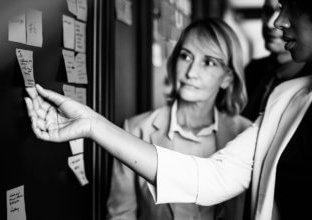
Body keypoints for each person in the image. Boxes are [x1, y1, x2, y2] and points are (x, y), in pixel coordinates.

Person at [24, 0, 312, 218]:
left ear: (228, 77)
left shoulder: (241, 127)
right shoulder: (285, 99)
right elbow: (210, 178)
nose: (278, 21)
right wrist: (92, 124)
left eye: (293, 6)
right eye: (185, 56)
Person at [106, 19, 251, 220]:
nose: (191, 72)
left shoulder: (246, 134)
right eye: (186, 56)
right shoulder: (137, 130)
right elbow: (121, 214)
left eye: (208, 62)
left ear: (227, 78)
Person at [242, 0, 305, 121]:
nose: (270, 24)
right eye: (267, 11)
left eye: (283, 12)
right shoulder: (251, 71)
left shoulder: (307, 81)